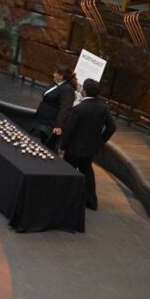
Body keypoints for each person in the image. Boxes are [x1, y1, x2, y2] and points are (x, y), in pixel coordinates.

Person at [60, 79, 115, 214]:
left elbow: (70, 129)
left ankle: (65, 198)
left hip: (73, 148)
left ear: (84, 91)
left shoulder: (78, 109)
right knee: (87, 172)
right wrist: (100, 141)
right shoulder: (103, 108)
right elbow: (112, 126)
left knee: (68, 172)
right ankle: (91, 201)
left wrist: (63, 145)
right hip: (90, 148)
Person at [32, 66, 78, 146]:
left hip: (50, 122)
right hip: (43, 118)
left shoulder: (67, 89)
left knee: (46, 143)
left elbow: (65, 108)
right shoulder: (55, 84)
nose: (53, 74)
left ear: (61, 76)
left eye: (56, 73)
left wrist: (59, 125)